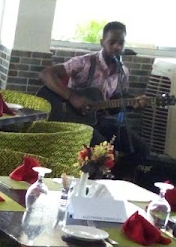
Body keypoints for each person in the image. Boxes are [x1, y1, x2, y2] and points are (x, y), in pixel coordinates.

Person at [39, 20, 152, 162]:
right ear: (102, 42)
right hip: (75, 121)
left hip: (99, 121)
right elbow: (46, 74)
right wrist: (72, 97)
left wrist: (131, 104)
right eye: (112, 42)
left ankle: (114, 175)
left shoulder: (123, 72)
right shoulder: (85, 62)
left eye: (121, 43)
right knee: (104, 153)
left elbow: (111, 106)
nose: (117, 46)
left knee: (141, 149)